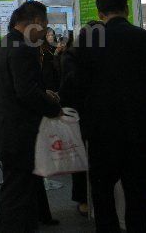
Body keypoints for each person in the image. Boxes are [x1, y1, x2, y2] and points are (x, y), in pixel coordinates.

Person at [78, 0, 146, 232]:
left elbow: (79, 83)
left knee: (102, 191)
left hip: (102, 130)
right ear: (126, 10)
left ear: (100, 14)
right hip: (139, 126)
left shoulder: (90, 39)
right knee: (137, 193)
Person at [0, 1, 62, 233]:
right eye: (45, 24)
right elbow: (26, 93)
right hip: (20, 133)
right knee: (18, 193)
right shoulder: (23, 48)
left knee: (18, 189)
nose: (46, 30)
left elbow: (15, 86)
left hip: (6, 129)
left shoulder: (4, 44)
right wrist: (53, 108)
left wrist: (42, 92)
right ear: (36, 22)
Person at [59, 23, 101, 217]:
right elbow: (70, 86)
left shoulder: (74, 56)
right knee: (81, 158)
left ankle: (89, 199)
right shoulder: (73, 57)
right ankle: (83, 199)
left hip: (90, 115)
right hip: (80, 115)